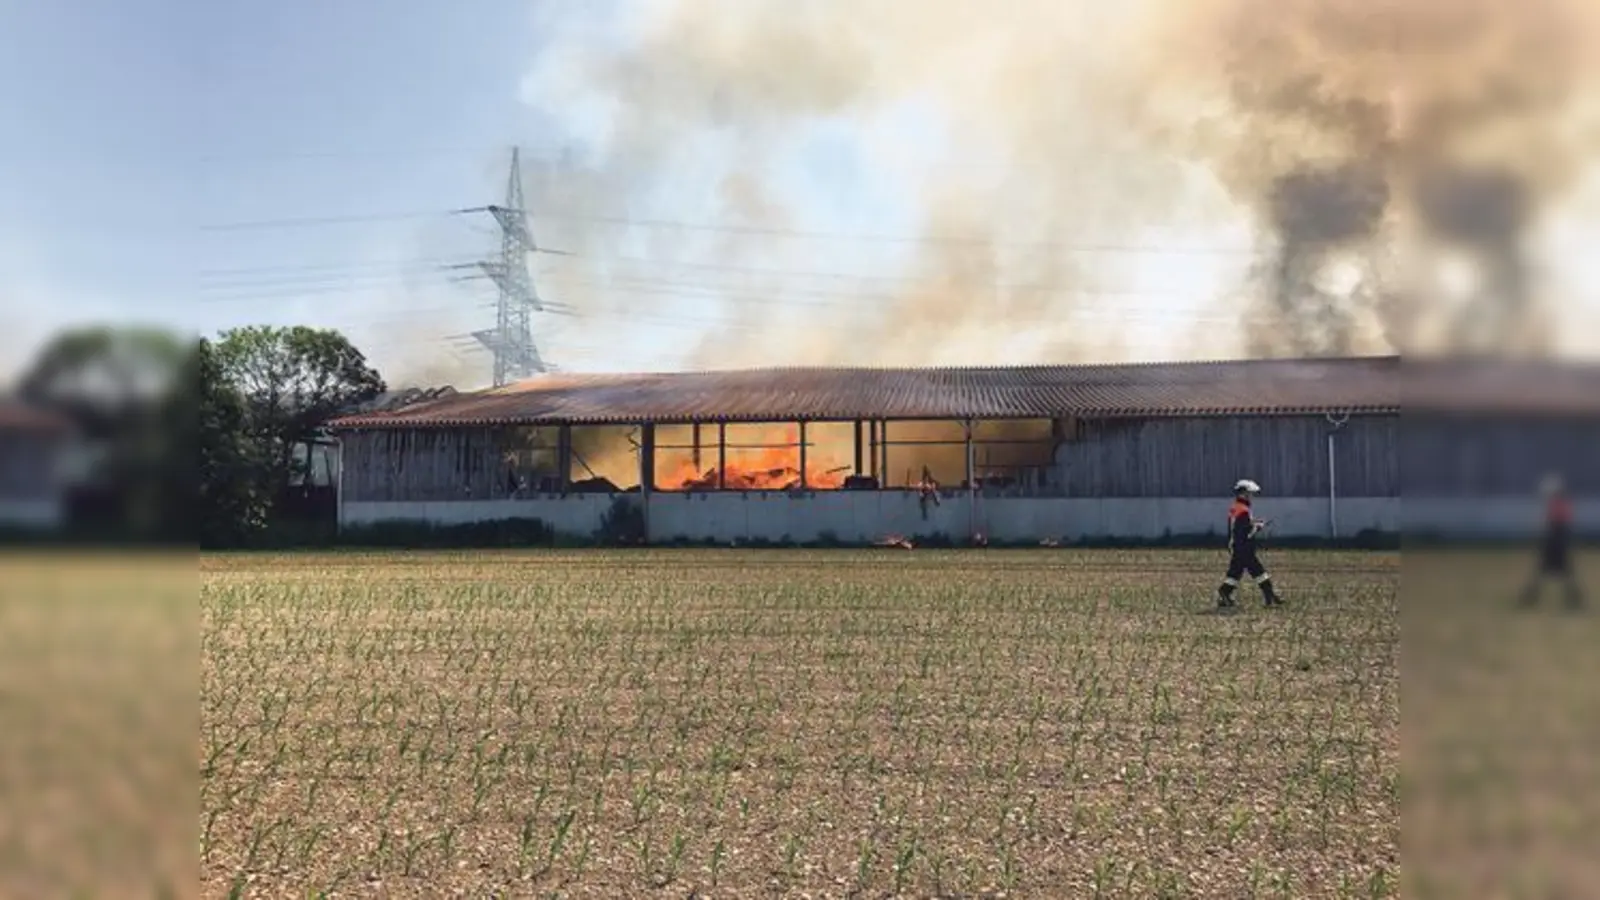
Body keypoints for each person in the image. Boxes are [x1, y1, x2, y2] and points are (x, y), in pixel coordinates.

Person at [1518, 473, 1583, 610]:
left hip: (1555, 544)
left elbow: (1553, 525)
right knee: (1559, 574)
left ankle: (1530, 598)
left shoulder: (1558, 505)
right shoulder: (1561, 504)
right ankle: (1573, 600)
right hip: (1557, 544)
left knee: (1545, 573)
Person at [1217, 478, 1283, 610]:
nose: (1252, 497)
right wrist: (1258, 527)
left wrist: (1254, 522)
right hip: (1244, 547)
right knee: (1258, 571)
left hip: (1236, 545)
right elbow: (1245, 531)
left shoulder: (1237, 507)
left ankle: (1224, 594)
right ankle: (1270, 596)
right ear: (1244, 494)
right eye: (1250, 494)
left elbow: (1238, 527)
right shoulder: (1244, 510)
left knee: (1235, 573)